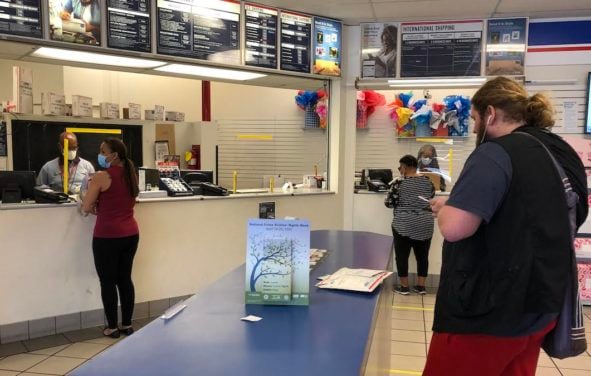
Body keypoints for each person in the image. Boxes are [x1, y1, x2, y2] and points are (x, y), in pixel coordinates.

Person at [424, 77, 588, 375]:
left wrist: (448, 208)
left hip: (488, 313)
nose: (474, 128)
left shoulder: (494, 152)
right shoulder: (558, 150)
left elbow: (455, 228)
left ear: (491, 113)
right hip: (543, 304)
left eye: (474, 119)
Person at [82, 138, 140, 338]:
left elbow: (86, 207)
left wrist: (88, 203)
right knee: (125, 279)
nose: (101, 154)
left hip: (107, 236)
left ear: (114, 155)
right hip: (131, 234)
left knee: (107, 281)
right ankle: (127, 325)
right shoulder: (132, 174)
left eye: (103, 151)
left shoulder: (101, 176)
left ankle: (112, 327)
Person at [385, 155, 435, 295]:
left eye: (400, 167)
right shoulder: (427, 181)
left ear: (405, 167)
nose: (399, 169)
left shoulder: (398, 183)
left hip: (403, 224)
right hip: (425, 223)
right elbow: (430, 196)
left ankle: (405, 287)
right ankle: (421, 287)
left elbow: (389, 203)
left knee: (402, 256)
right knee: (423, 256)